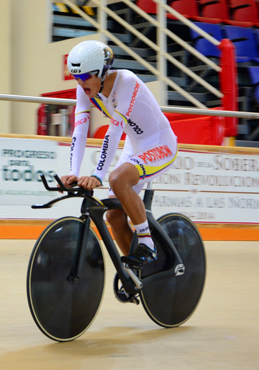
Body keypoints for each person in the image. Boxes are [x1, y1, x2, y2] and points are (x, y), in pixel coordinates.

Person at [60, 40, 178, 268]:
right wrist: (73, 172)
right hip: (135, 145)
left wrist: (97, 175)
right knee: (113, 215)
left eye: (84, 77)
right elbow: (80, 130)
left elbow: (114, 132)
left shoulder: (126, 82)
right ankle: (135, 271)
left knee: (117, 178)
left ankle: (148, 244)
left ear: (101, 72)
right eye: (76, 77)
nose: (80, 82)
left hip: (160, 143)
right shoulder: (85, 89)